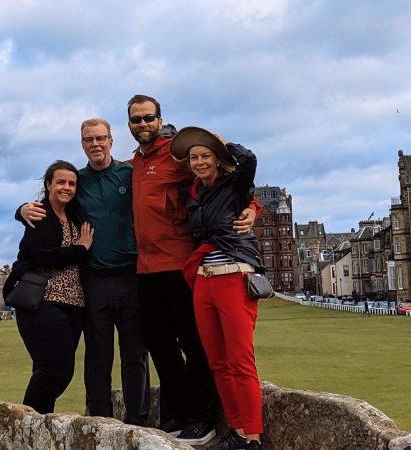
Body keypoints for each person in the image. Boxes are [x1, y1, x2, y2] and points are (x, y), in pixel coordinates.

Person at [127, 94, 260, 446]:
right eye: (136, 119)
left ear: (160, 119)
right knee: (160, 345)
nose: (142, 124)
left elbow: (229, 183)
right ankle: (177, 413)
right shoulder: (133, 164)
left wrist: (253, 209)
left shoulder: (178, 156)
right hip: (146, 268)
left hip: (181, 263)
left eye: (148, 118)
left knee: (195, 345)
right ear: (129, 125)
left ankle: (203, 419)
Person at [19, 118, 151, 425]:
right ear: (82, 144)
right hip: (94, 278)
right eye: (89, 139)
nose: (96, 143)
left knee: (135, 353)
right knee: (97, 356)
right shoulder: (76, 181)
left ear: (111, 141)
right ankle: (100, 420)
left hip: (131, 273)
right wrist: (23, 209)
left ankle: (137, 420)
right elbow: (50, 205)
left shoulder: (129, 173)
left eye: (101, 138)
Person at [172, 127, 264, 450]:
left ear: (217, 159)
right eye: (194, 157)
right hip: (204, 279)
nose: (199, 162)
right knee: (218, 362)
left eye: (205, 156)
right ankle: (237, 430)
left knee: (240, 359)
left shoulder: (234, 186)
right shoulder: (195, 194)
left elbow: (249, 160)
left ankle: (252, 437)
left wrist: (225, 143)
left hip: (233, 275)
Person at [4, 160, 94, 414]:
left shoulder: (75, 214)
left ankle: (38, 426)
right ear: (48, 185)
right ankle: (26, 423)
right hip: (42, 302)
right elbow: (46, 256)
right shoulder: (39, 214)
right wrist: (80, 250)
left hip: (74, 304)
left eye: (72, 183)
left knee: (47, 370)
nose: (66, 187)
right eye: (60, 182)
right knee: (57, 370)